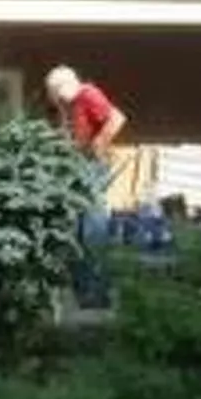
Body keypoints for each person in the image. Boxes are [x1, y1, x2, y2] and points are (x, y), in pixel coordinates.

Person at [44, 65, 128, 308]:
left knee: (93, 229)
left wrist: (99, 145)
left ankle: (98, 294)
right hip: (79, 168)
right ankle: (83, 293)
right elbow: (73, 134)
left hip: (93, 168)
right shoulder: (70, 106)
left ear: (63, 86)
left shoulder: (88, 93)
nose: (56, 99)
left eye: (55, 93)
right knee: (76, 231)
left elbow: (117, 118)